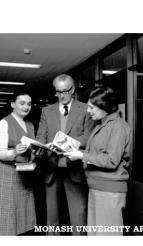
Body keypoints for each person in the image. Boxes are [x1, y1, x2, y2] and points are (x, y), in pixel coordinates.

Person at [64, 86, 132, 236]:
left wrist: (81, 156)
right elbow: (94, 153)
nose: (88, 111)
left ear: (104, 107)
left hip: (109, 191)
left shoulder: (118, 127)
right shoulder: (101, 124)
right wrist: (76, 152)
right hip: (97, 188)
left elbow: (111, 160)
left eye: (91, 107)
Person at [36, 74, 94, 235]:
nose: (62, 95)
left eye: (65, 91)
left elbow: (88, 136)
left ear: (73, 89)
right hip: (51, 168)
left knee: (78, 216)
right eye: (58, 91)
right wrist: (43, 144)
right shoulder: (46, 111)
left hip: (74, 168)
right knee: (51, 218)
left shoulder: (85, 109)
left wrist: (65, 143)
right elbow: (41, 136)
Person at [0, 91, 36, 235]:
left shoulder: (30, 124)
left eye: (29, 104)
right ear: (12, 104)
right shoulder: (5, 122)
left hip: (25, 171)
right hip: (7, 172)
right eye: (22, 103)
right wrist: (15, 152)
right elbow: (0, 153)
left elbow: (32, 148)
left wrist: (36, 153)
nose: (26, 107)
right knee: (5, 212)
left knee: (22, 211)